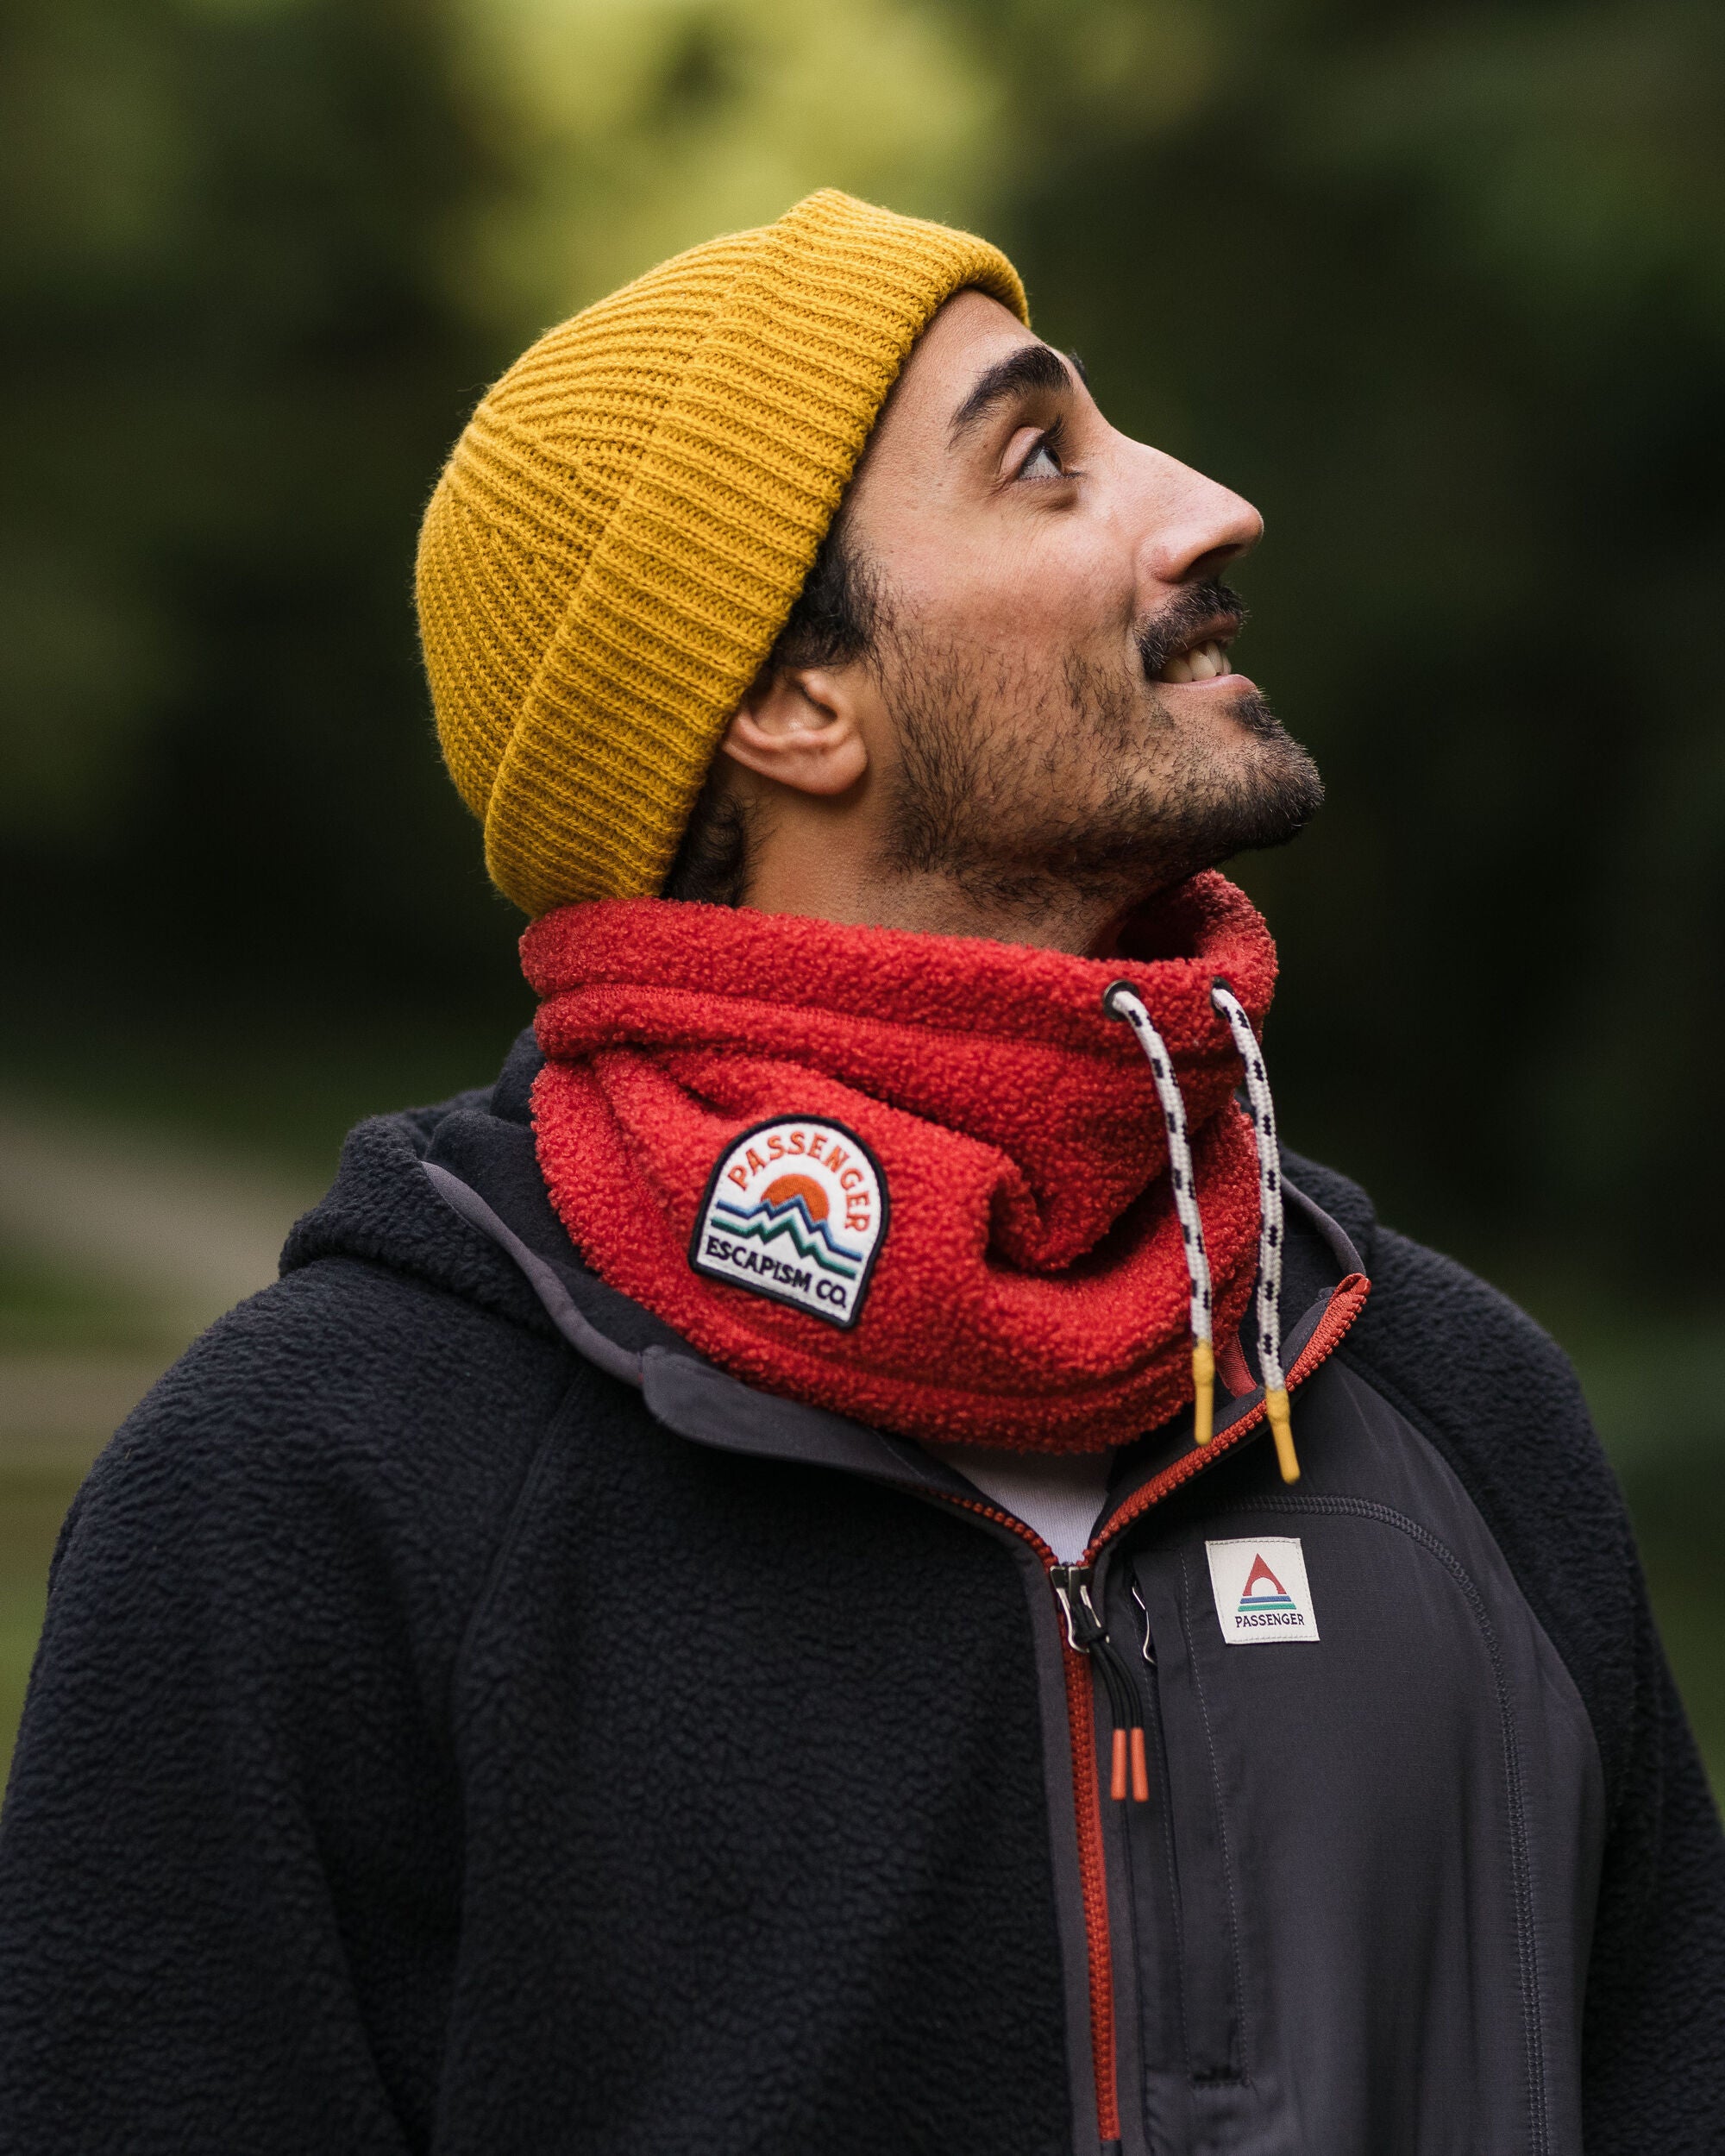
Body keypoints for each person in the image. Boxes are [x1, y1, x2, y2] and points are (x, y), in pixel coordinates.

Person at [0, 190, 1719, 2156]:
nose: (1211, 509)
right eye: (1040, 460)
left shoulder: (1456, 1407)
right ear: (788, 701)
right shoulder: (307, 1499)